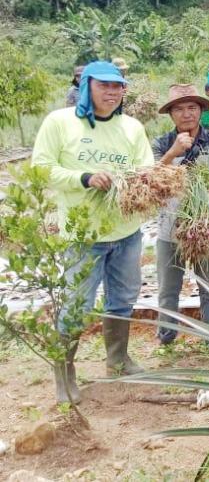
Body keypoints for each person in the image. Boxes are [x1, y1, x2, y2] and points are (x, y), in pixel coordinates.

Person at [32, 60, 154, 403]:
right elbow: (41, 169)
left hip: (127, 231)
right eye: (104, 86)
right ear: (86, 86)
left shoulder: (131, 127)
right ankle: (65, 375)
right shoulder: (60, 122)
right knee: (76, 305)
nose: (112, 92)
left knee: (124, 297)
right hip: (83, 234)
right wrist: (83, 178)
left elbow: (144, 170)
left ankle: (117, 360)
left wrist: (142, 184)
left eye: (118, 87)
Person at [152, 84, 209, 346]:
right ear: (171, 115)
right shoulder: (161, 144)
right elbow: (150, 177)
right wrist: (173, 153)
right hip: (171, 226)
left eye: (192, 107)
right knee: (169, 288)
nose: (186, 114)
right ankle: (166, 338)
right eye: (179, 109)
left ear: (201, 111)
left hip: (205, 226)